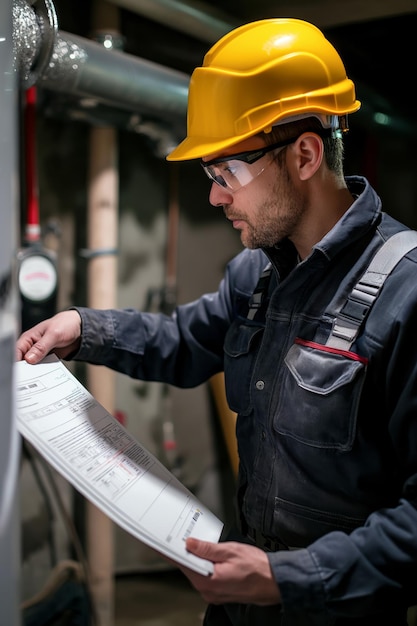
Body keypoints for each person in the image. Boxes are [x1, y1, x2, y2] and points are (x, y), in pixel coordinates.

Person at [16, 17, 417, 626]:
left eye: (228, 172)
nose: (215, 196)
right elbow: (180, 342)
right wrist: (81, 326)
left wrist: (288, 579)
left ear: (305, 155)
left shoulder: (406, 292)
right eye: (211, 176)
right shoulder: (255, 275)